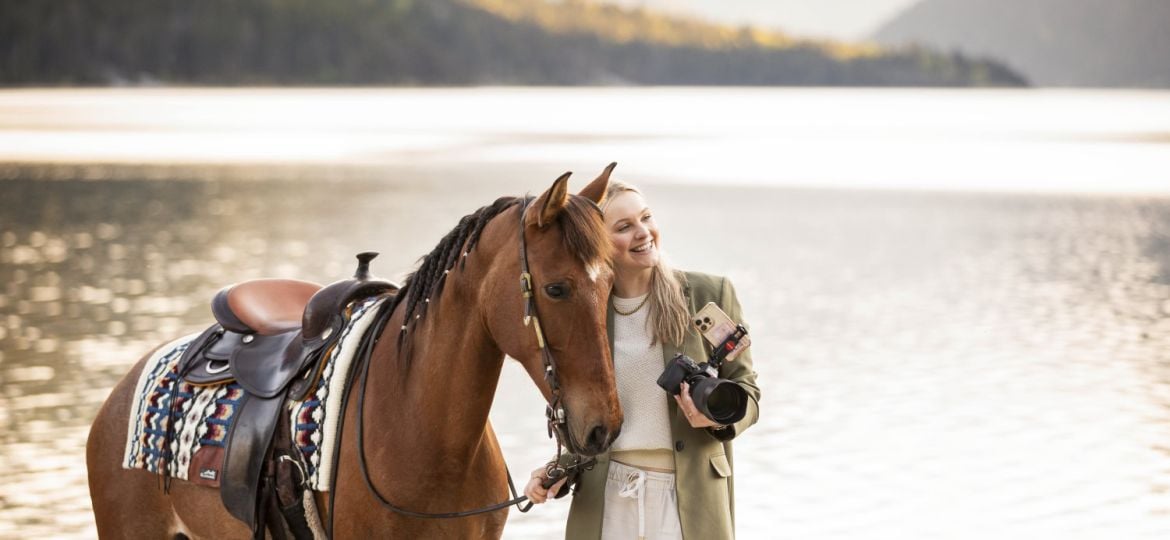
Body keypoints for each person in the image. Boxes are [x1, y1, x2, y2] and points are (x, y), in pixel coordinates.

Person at [525, 180, 761, 540]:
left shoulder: (707, 295)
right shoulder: (586, 316)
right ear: (597, 244)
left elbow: (750, 395)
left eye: (645, 217)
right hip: (607, 496)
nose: (643, 233)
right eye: (624, 227)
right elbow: (588, 420)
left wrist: (713, 419)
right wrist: (557, 469)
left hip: (689, 498)